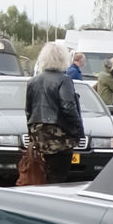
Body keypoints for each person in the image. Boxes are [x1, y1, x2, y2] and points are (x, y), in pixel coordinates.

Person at [26, 42, 86, 184]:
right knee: (59, 176)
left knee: (41, 172)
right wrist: (78, 129)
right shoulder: (64, 80)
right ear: (63, 59)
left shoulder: (33, 81)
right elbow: (68, 107)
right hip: (59, 134)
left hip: (38, 133)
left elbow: (28, 109)